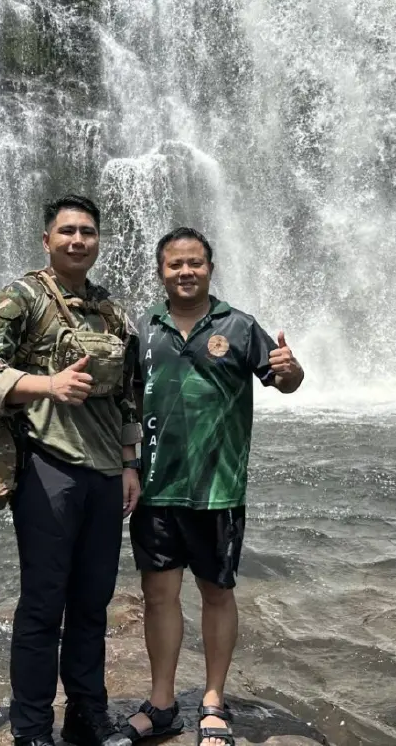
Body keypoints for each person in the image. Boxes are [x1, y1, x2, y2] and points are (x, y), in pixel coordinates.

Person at [0, 195, 143, 746]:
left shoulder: (111, 312)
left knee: (93, 601)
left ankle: (88, 717)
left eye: (87, 232)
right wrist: (49, 385)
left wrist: (130, 464)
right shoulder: (20, 297)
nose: (77, 240)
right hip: (47, 466)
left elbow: (129, 396)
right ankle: (32, 728)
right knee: (43, 603)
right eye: (66, 231)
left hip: (106, 471)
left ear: (98, 241)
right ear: (47, 239)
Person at [120, 227, 304, 746]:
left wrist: (292, 371)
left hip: (217, 488)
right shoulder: (143, 329)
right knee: (158, 596)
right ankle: (160, 705)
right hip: (155, 488)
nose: (185, 272)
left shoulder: (239, 326)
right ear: (161, 272)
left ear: (210, 268)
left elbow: (284, 379)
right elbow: (129, 402)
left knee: (217, 594)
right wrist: (128, 464)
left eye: (195, 263)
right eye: (175, 264)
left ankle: (213, 700)